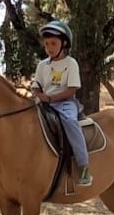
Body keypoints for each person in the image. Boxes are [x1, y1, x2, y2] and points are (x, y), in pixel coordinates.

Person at [33, 20, 92, 186]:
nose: (49, 48)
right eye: (46, 44)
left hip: (65, 103)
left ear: (64, 43)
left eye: (53, 43)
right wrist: (37, 94)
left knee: (70, 121)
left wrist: (50, 98)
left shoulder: (71, 63)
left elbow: (71, 90)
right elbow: (36, 85)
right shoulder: (42, 65)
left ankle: (83, 165)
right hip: (44, 102)